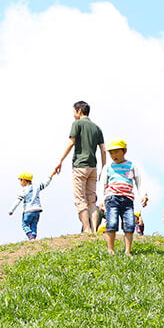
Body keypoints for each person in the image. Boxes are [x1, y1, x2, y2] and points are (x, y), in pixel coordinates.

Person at [51, 100, 107, 235]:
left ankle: (87, 229)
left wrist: (60, 160)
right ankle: (94, 230)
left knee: (80, 199)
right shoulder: (97, 128)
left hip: (80, 166)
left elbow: (71, 142)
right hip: (93, 167)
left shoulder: (77, 124)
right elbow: (103, 149)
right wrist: (104, 168)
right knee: (92, 200)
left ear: (79, 111)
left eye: (74, 112)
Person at [101, 139, 147, 256]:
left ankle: (128, 250)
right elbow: (102, 184)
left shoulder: (131, 166)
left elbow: (139, 182)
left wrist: (143, 195)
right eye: (111, 153)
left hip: (127, 199)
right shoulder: (108, 167)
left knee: (129, 224)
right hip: (112, 198)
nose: (114, 155)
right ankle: (110, 249)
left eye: (117, 152)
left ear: (124, 151)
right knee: (111, 223)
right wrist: (102, 200)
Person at [7, 171, 56, 240]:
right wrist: (51, 175)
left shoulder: (23, 190)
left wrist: (11, 210)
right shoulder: (37, 186)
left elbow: (17, 201)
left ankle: (30, 237)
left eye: (20, 180)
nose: (20, 182)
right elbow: (46, 183)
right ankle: (33, 237)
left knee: (25, 224)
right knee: (34, 224)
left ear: (24, 180)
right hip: (37, 210)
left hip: (28, 210)